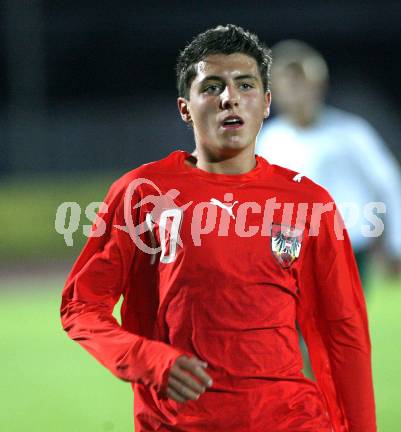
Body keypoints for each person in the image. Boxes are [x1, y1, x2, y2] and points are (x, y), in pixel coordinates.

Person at [61, 25, 376, 432]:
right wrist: (147, 359)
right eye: (212, 86)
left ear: (265, 103)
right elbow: (80, 307)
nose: (230, 97)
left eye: (245, 85)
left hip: (294, 420)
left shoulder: (309, 202)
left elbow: (344, 331)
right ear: (184, 108)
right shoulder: (143, 194)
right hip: (180, 423)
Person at [256, 39, 401, 287]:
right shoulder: (268, 140)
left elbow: (389, 184)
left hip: (347, 248)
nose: (294, 90)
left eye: (301, 81)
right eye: (286, 83)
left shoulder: (351, 132)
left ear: (319, 84)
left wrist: (399, 241)